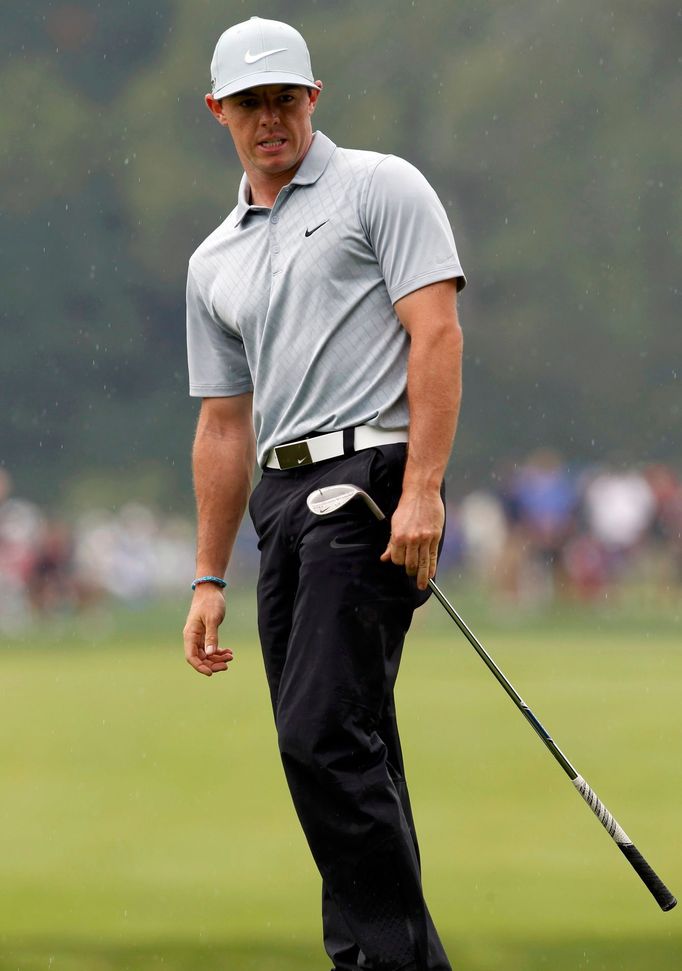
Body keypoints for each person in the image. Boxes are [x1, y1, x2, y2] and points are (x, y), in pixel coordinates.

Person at [182, 16, 465, 971]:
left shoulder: (380, 186)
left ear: (314, 98)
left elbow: (436, 334)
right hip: (279, 500)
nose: (271, 119)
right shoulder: (212, 260)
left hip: (372, 483)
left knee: (319, 740)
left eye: (286, 98)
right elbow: (224, 425)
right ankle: (391, 953)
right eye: (251, 103)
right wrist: (206, 576)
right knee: (354, 741)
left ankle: (382, 961)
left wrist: (423, 489)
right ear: (218, 110)